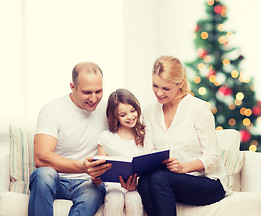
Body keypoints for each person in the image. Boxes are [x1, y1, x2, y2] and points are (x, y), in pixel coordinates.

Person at [138, 56, 229, 216]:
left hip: (207, 182)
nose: (159, 93)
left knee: (159, 178)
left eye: (166, 88)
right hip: (168, 180)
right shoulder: (149, 112)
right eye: (155, 85)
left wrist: (183, 167)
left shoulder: (198, 108)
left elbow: (212, 157)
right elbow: (150, 152)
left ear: (180, 83)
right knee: (145, 180)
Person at [28, 62, 112, 216]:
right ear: (73, 87)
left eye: (98, 91)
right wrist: (81, 166)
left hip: (89, 183)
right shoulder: (52, 110)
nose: (94, 99)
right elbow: (41, 158)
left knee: (95, 190)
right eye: (87, 92)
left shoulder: (108, 110)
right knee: (43, 174)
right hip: (57, 180)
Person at [93, 88, 146, 216]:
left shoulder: (144, 134)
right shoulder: (106, 137)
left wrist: (136, 183)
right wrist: (95, 177)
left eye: (132, 111)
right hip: (113, 188)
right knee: (115, 198)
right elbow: (99, 168)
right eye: (123, 115)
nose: (130, 117)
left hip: (136, 187)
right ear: (115, 116)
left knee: (134, 199)